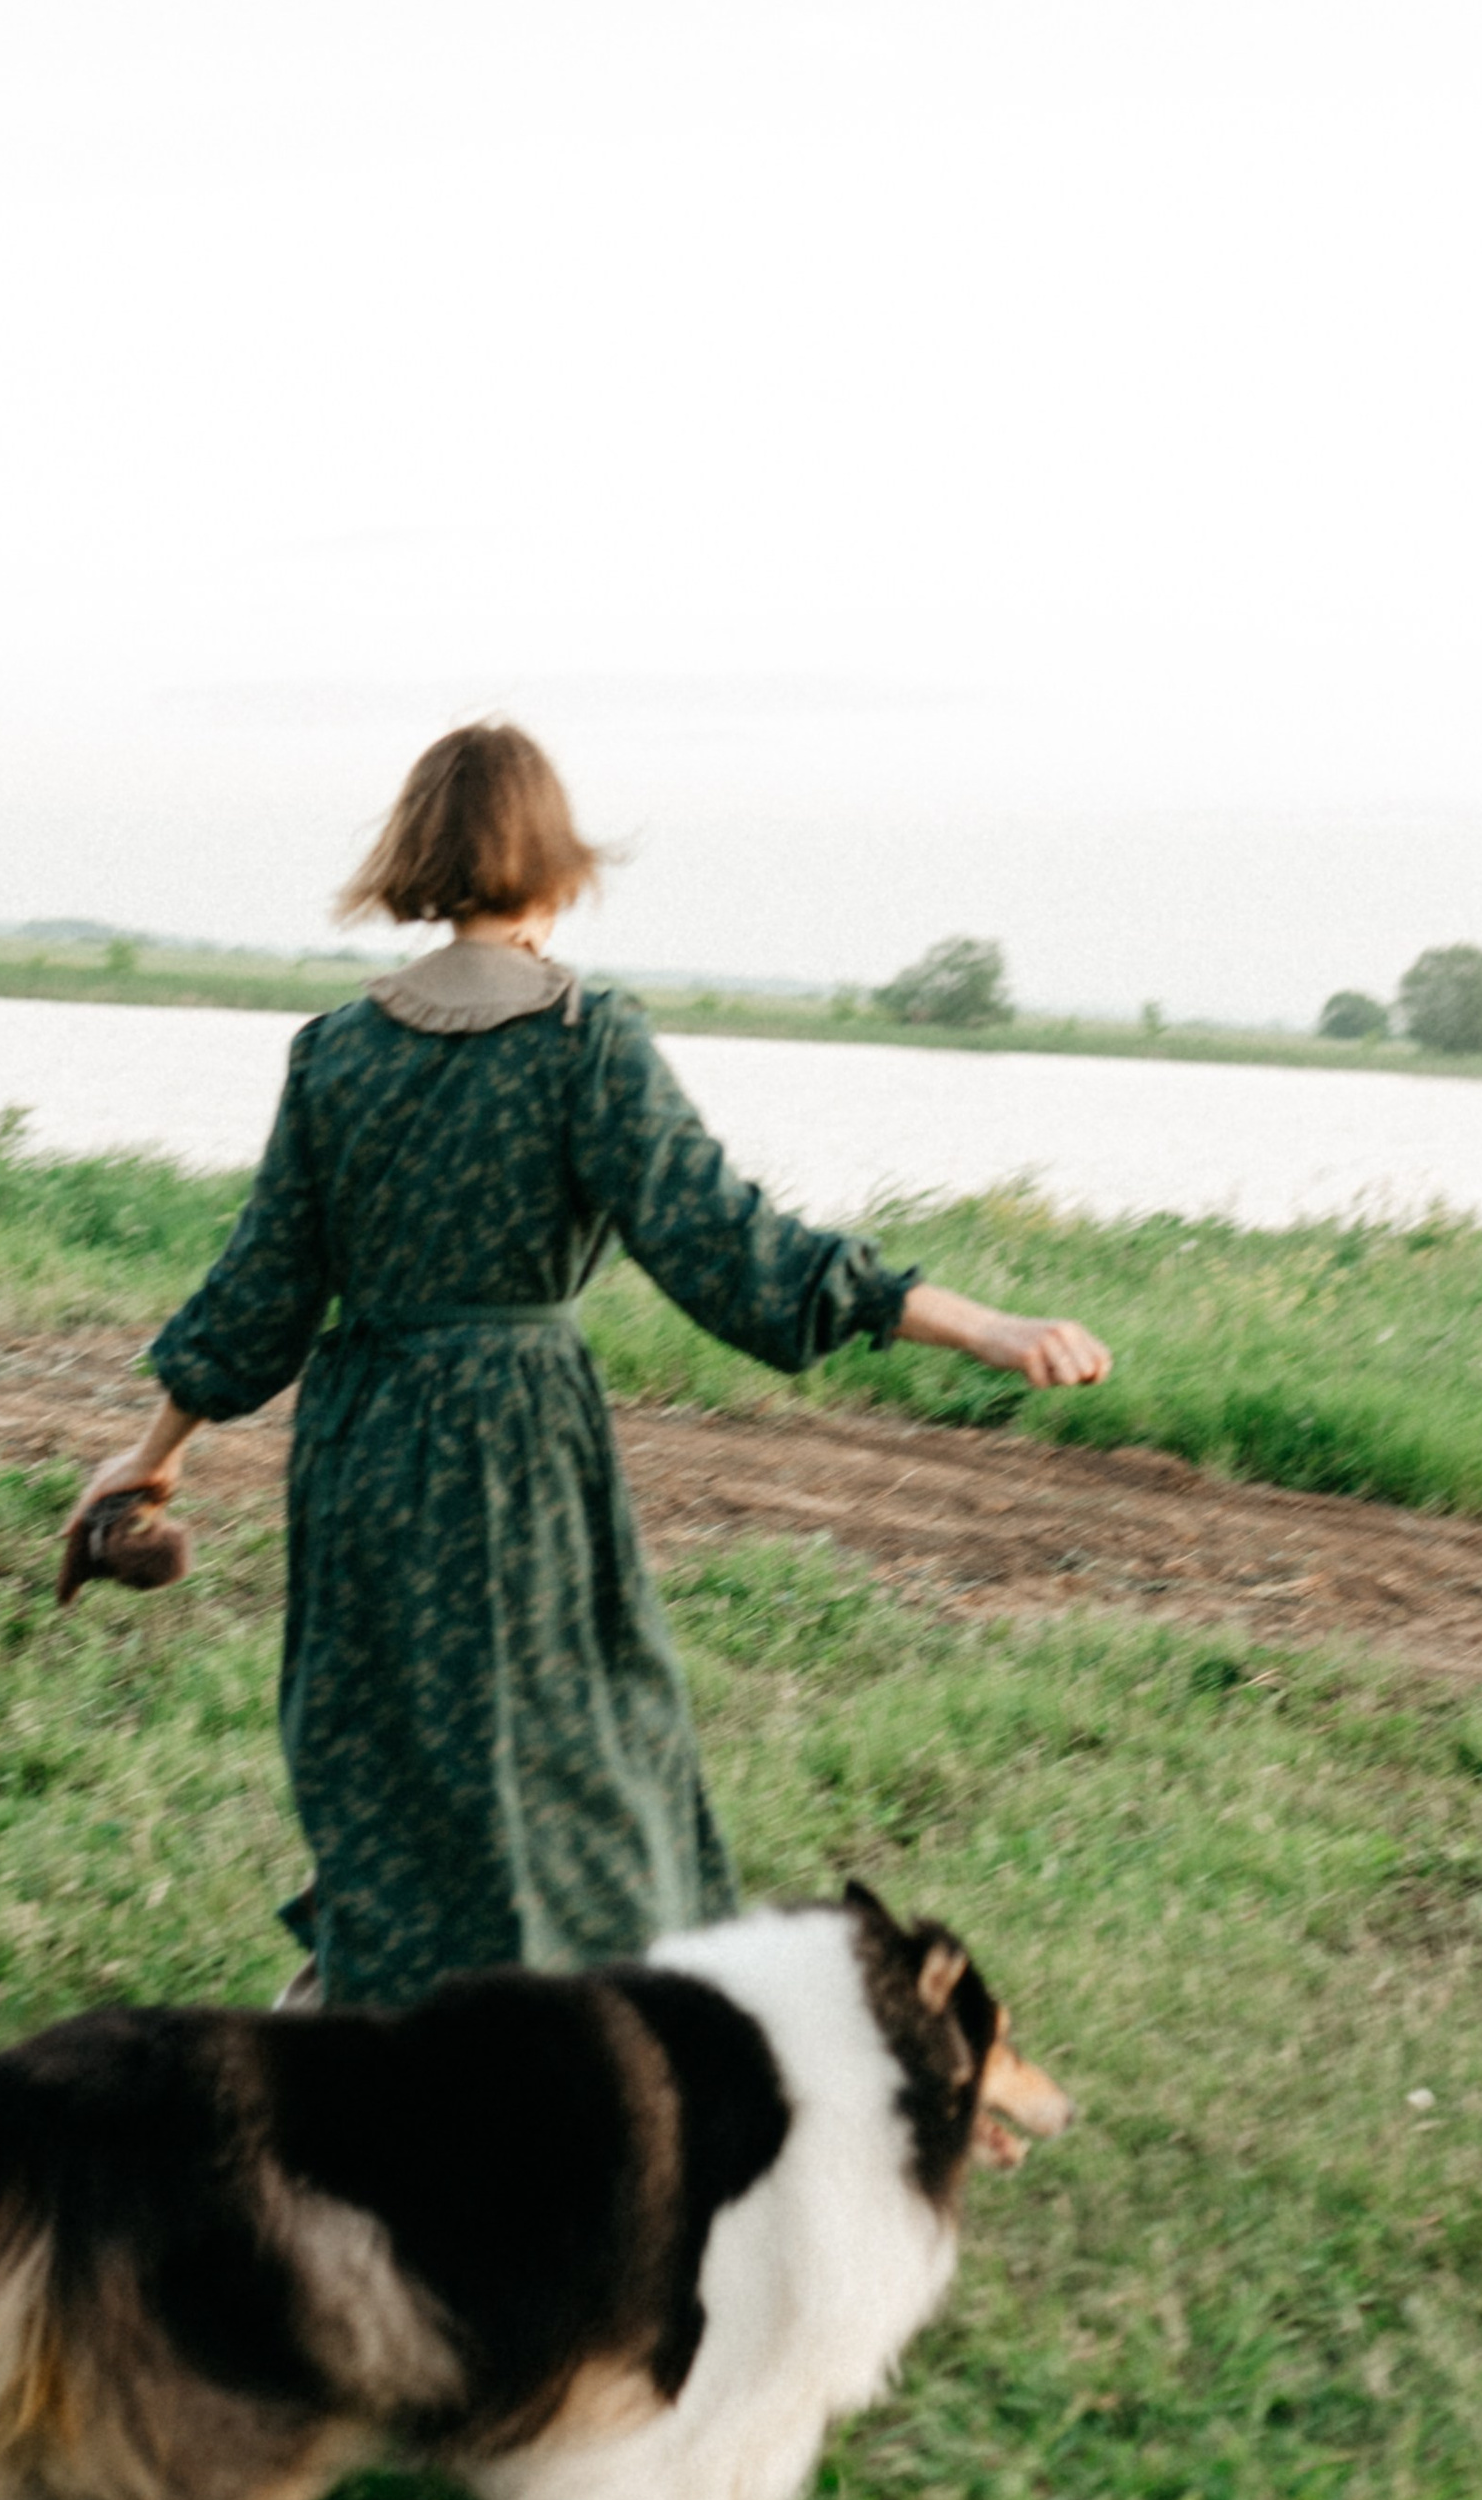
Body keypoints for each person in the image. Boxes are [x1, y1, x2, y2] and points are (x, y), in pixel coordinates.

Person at [64, 723, 1110, 2009]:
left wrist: (150, 1453)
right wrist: (979, 1323)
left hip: (367, 1445)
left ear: (413, 856)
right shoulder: (582, 1042)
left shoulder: (336, 1051)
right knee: (579, 1748)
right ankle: (575, 2028)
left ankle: (376, 2000)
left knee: (390, 1745)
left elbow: (259, 1295)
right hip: (517, 1446)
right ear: (553, 864)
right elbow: (741, 1256)